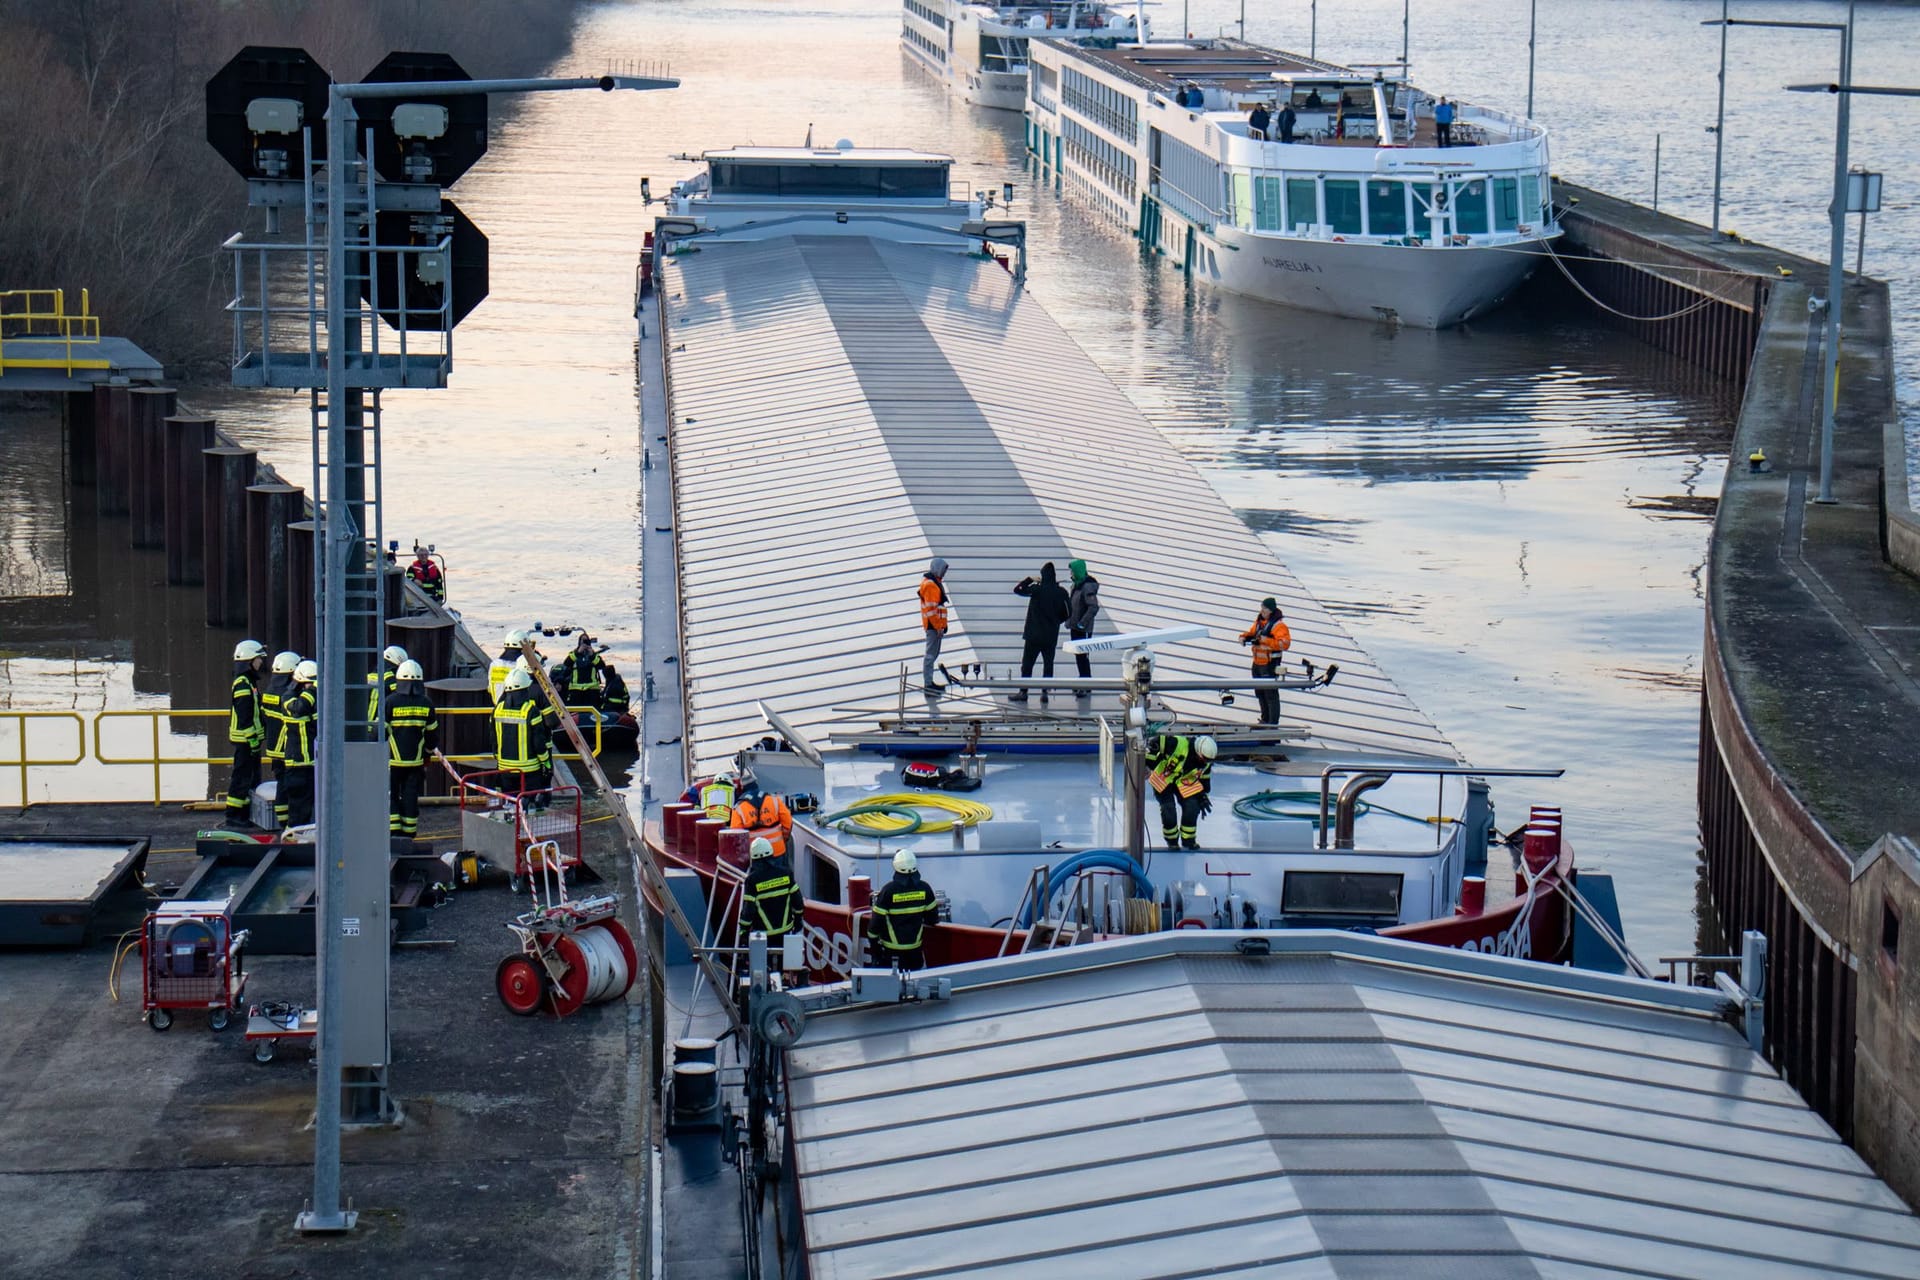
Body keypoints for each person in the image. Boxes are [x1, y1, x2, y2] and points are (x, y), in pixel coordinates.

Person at [386, 659, 438, 839]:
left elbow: (379, 732)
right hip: (415, 763)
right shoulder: (426, 703)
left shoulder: (390, 702)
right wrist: (428, 753)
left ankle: (393, 831)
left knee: (391, 795)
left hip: (391, 762)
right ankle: (409, 834)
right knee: (410, 796)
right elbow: (432, 735)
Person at [1010, 561, 1070, 703]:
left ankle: (1023, 692)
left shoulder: (1037, 589)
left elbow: (1017, 590)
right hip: (1050, 635)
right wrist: (1057, 621)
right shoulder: (1061, 592)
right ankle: (1045, 692)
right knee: (1048, 664)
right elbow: (1068, 613)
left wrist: (1029, 579)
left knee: (1027, 664)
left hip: (1033, 634)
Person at [872, 850, 940, 971]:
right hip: (915, 952)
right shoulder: (925, 889)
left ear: (895, 866)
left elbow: (875, 925)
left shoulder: (888, 891)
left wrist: (875, 949)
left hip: (891, 953)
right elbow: (933, 919)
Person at [1147, 732, 1215, 851]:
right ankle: (1172, 841)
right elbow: (1159, 741)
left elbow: (1204, 781)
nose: (1205, 762)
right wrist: (1150, 757)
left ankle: (1188, 840)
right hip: (1163, 779)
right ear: (1198, 751)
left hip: (1183, 783)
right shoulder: (1178, 744)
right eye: (1204, 759)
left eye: (1208, 760)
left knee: (1192, 807)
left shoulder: (1205, 763)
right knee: (1168, 808)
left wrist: (1202, 795)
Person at [225, 640, 268, 826]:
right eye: (258, 658)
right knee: (241, 778)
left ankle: (244, 814)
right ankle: (234, 816)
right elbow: (245, 716)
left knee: (250, 778)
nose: (260, 662)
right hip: (245, 740)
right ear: (249, 659)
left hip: (249, 740)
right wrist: (252, 740)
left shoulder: (249, 681)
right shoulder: (243, 684)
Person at [492, 665, 551, 797]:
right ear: (525, 689)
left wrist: (497, 756)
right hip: (529, 770)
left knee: (511, 803)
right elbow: (538, 742)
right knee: (529, 805)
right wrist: (546, 762)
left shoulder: (498, 709)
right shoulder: (531, 711)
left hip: (505, 768)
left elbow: (494, 737)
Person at [741, 835, 803, 951]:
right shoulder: (786, 873)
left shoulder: (752, 880)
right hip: (786, 931)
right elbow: (798, 901)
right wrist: (798, 920)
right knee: (786, 964)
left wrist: (743, 931)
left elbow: (748, 909)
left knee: (761, 965)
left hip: (763, 935)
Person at [277, 660, 320, 830]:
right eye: (311, 683)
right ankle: (294, 836)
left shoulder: (313, 701)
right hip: (296, 763)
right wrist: (313, 691)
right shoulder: (289, 698)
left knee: (311, 805)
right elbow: (299, 708)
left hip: (312, 763)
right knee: (298, 807)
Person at [1239, 597, 1293, 726]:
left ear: (1271, 610)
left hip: (1269, 664)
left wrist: (1265, 640)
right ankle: (1264, 719)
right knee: (1259, 692)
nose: (1262, 610)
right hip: (1257, 663)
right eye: (1262, 608)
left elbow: (1284, 644)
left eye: (1265, 608)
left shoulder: (1279, 626)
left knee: (1270, 694)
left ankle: (1272, 722)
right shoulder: (1259, 622)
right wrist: (1243, 637)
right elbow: (1252, 633)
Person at [259, 650, 300, 784]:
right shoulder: (288, 695)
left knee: (280, 786)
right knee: (289, 787)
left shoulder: (268, 692)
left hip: (273, 749)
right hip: (289, 750)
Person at [729, 788, 795, 858]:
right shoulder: (774, 800)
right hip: (777, 850)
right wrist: (784, 839)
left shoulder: (738, 807)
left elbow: (736, 835)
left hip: (754, 853)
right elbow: (787, 822)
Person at [1066, 559, 1100, 683]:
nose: (1071, 574)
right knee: (1078, 656)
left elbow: (1093, 607)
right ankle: (1083, 680)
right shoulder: (1076, 585)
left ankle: (1086, 682)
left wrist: (1082, 623)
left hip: (1083, 629)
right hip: (1075, 627)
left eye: (1072, 571)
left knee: (1083, 656)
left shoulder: (1086, 587)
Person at [918, 557, 950, 692]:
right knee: (930, 655)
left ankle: (929, 682)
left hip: (935, 626)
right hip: (933, 627)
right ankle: (928, 684)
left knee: (932, 654)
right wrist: (938, 626)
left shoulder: (932, 583)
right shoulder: (931, 585)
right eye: (943, 570)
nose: (943, 573)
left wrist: (942, 625)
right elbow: (931, 610)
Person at [559, 633, 606, 710]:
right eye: (583, 641)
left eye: (586, 641)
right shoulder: (573, 654)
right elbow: (566, 663)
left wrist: (592, 655)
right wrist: (578, 652)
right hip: (576, 690)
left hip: (592, 689)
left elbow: (601, 666)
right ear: (579, 642)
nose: (584, 643)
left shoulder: (594, 655)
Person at [365, 643, 408, 724]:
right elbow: (403, 696)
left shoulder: (368, 677)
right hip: (378, 726)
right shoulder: (390, 677)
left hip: (363, 726)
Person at [488, 629, 527, 702]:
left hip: (498, 707)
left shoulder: (494, 665)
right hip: (517, 706)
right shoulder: (520, 665)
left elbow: (490, 688)